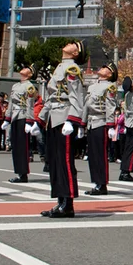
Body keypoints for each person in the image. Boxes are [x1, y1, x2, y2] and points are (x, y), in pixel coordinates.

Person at [37, 41, 87, 217]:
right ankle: (60, 200)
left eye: (74, 44)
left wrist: (72, 120)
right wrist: (41, 119)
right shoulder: (60, 67)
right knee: (54, 161)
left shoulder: (72, 69)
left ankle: (68, 203)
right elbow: (51, 97)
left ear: (75, 53)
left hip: (64, 117)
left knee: (65, 161)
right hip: (54, 117)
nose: (68, 43)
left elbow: (76, 97)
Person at [84, 62, 119, 195]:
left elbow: (110, 107)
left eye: (106, 68)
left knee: (100, 155)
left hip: (101, 122)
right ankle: (96, 182)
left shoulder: (110, 87)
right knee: (92, 155)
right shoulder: (92, 86)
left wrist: (110, 125)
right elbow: (86, 106)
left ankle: (102, 184)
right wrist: (82, 123)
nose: (102, 68)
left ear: (110, 74)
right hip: (91, 122)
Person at [7, 65, 40, 184]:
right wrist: (7, 118)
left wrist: (29, 121)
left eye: (28, 69)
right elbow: (11, 103)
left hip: (23, 116)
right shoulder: (15, 86)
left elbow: (30, 106)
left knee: (22, 146)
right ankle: (18, 171)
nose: (24, 69)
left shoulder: (30, 87)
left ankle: (23, 173)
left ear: (30, 74)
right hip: (15, 116)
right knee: (15, 146)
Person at [118, 77, 133, 182]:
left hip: (129, 121)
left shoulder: (127, 95)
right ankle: (127, 171)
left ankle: (124, 169)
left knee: (127, 147)